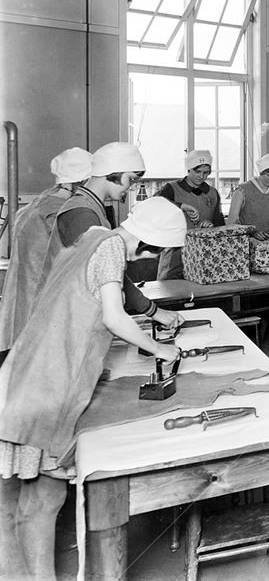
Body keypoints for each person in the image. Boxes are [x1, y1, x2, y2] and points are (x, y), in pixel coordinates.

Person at [0, 197, 184, 580]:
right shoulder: (111, 250)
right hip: (48, 385)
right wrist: (160, 347)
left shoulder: (94, 236)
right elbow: (115, 317)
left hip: (30, 372)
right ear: (155, 245)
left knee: (41, 497)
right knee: (43, 498)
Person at [45, 141, 180, 331]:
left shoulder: (94, 208)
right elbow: (108, 272)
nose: (131, 187)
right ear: (113, 172)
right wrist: (152, 311)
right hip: (62, 323)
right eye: (131, 179)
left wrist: (150, 309)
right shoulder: (81, 214)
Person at [0, 147, 92, 360]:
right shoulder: (60, 211)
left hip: (19, 310)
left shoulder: (37, 204)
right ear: (81, 181)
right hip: (42, 311)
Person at [155, 149, 225, 280]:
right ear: (189, 169)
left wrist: (211, 226)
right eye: (197, 172)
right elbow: (154, 205)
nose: (201, 176)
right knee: (170, 291)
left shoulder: (213, 193)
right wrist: (181, 206)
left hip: (203, 255)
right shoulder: (171, 188)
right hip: (175, 254)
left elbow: (220, 225)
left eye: (206, 173)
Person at [227, 154, 269, 240]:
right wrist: (252, 231)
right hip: (249, 240)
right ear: (261, 173)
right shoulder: (242, 191)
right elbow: (230, 224)